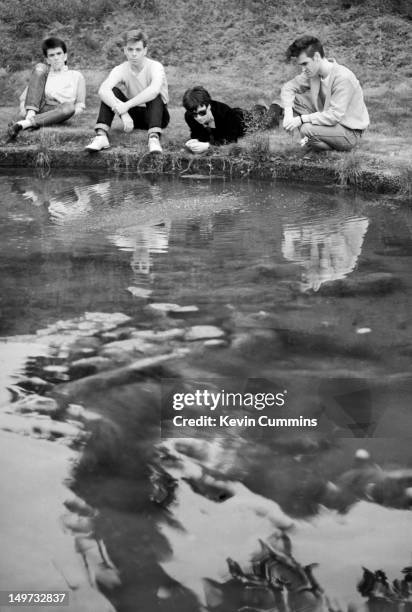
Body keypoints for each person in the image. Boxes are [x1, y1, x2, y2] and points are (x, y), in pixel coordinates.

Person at [85, 29, 169, 154]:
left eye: (138, 50)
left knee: (154, 95)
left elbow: (153, 90)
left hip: (157, 114)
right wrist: (124, 113)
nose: (134, 54)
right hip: (133, 114)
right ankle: (101, 136)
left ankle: (154, 138)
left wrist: (126, 106)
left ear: (145, 50)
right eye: (130, 49)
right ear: (125, 50)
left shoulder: (155, 67)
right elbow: (103, 90)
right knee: (111, 91)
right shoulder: (121, 69)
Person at [280, 36, 369, 151]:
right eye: (301, 65)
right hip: (329, 124)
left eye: (305, 63)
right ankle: (312, 140)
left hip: (349, 131)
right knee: (295, 100)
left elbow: (334, 116)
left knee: (306, 129)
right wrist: (288, 113)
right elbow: (289, 87)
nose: (303, 69)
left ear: (316, 57)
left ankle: (322, 146)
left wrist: (301, 119)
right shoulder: (313, 73)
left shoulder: (343, 77)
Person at [6, 37, 86, 142]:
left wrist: (65, 115)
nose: (56, 58)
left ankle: (23, 124)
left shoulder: (76, 76)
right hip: (39, 108)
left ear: (65, 56)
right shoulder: (42, 74)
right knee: (39, 67)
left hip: (60, 110)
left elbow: (80, 105)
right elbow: (25, 99)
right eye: (52, 55)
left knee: (69, 107)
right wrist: (24, 111)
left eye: (59, 54)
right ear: (47, 60)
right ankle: (30, 117)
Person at [182, 86, 282, 154]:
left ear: (209, 106)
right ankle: (259, 107)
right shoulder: (189, 116)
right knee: (256, 114)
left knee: (269, 124)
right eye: (194, 114)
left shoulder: (225, 113)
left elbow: (231, 140)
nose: (198, 118)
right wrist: (195, 140)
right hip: (235, 119)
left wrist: (208, 146)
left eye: (202, 113)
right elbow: (199, 134)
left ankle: (276, 105)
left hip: (241, 122)